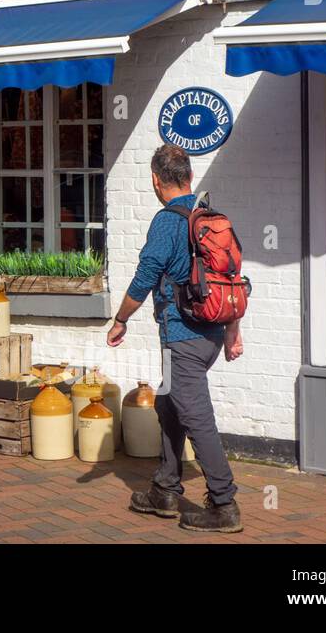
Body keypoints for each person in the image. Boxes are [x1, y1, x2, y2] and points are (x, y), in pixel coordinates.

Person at [106, 144, 244, 533]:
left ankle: (224, 504)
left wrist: (121, 320)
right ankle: (165, 489)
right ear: (187, 175)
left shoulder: (168, 221)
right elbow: (232, 277)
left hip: (182, 337)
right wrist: (233, 330)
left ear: (155, 179)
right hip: (209, 333)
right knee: (169, 405)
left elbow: (146, 275)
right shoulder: (209, 217)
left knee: (196, 416)